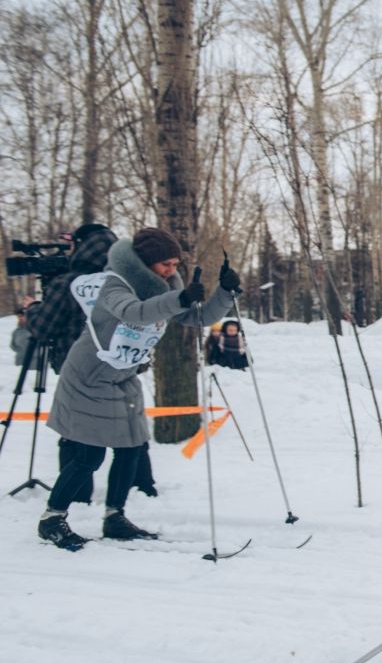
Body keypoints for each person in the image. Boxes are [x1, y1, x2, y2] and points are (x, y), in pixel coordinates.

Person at [36, 228, 239, 550]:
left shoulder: (165, 287)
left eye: (174, 264)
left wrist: (225, 293)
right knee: (89, 456)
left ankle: (115, 517)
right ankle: (52, 518)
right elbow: (134, 312)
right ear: (144, 263)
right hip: (89, 377)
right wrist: (179, 298)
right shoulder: (114, 284)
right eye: (164, 264)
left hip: (122, 377)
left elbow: (197, 318)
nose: (171, 270)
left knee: (132, 448)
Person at [24, 224, 158, 505]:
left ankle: (76, 497)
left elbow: (44, 327)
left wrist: (33, 307)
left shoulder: (68, 283)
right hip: (123, 366)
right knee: (130, 431)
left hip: (79, 372)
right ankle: (141, 486)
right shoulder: (130, 282)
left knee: (77, 434)